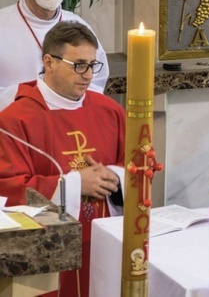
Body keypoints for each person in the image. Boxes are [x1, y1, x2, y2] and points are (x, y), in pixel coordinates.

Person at [0, 21, 125, 297]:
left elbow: (139, 166)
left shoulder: (110, 111)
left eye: (93, 65)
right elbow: (7, 189)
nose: (88, 75)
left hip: (105, 240)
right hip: (47, 251)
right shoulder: (15, 119)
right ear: (49, 61)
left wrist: (115, 178)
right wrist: (74, 184)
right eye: (79, 64)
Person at [0, 0, 110, 111]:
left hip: (68, 123)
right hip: (14, 125)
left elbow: (96, 80)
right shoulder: (3, 24)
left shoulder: (78, 26)